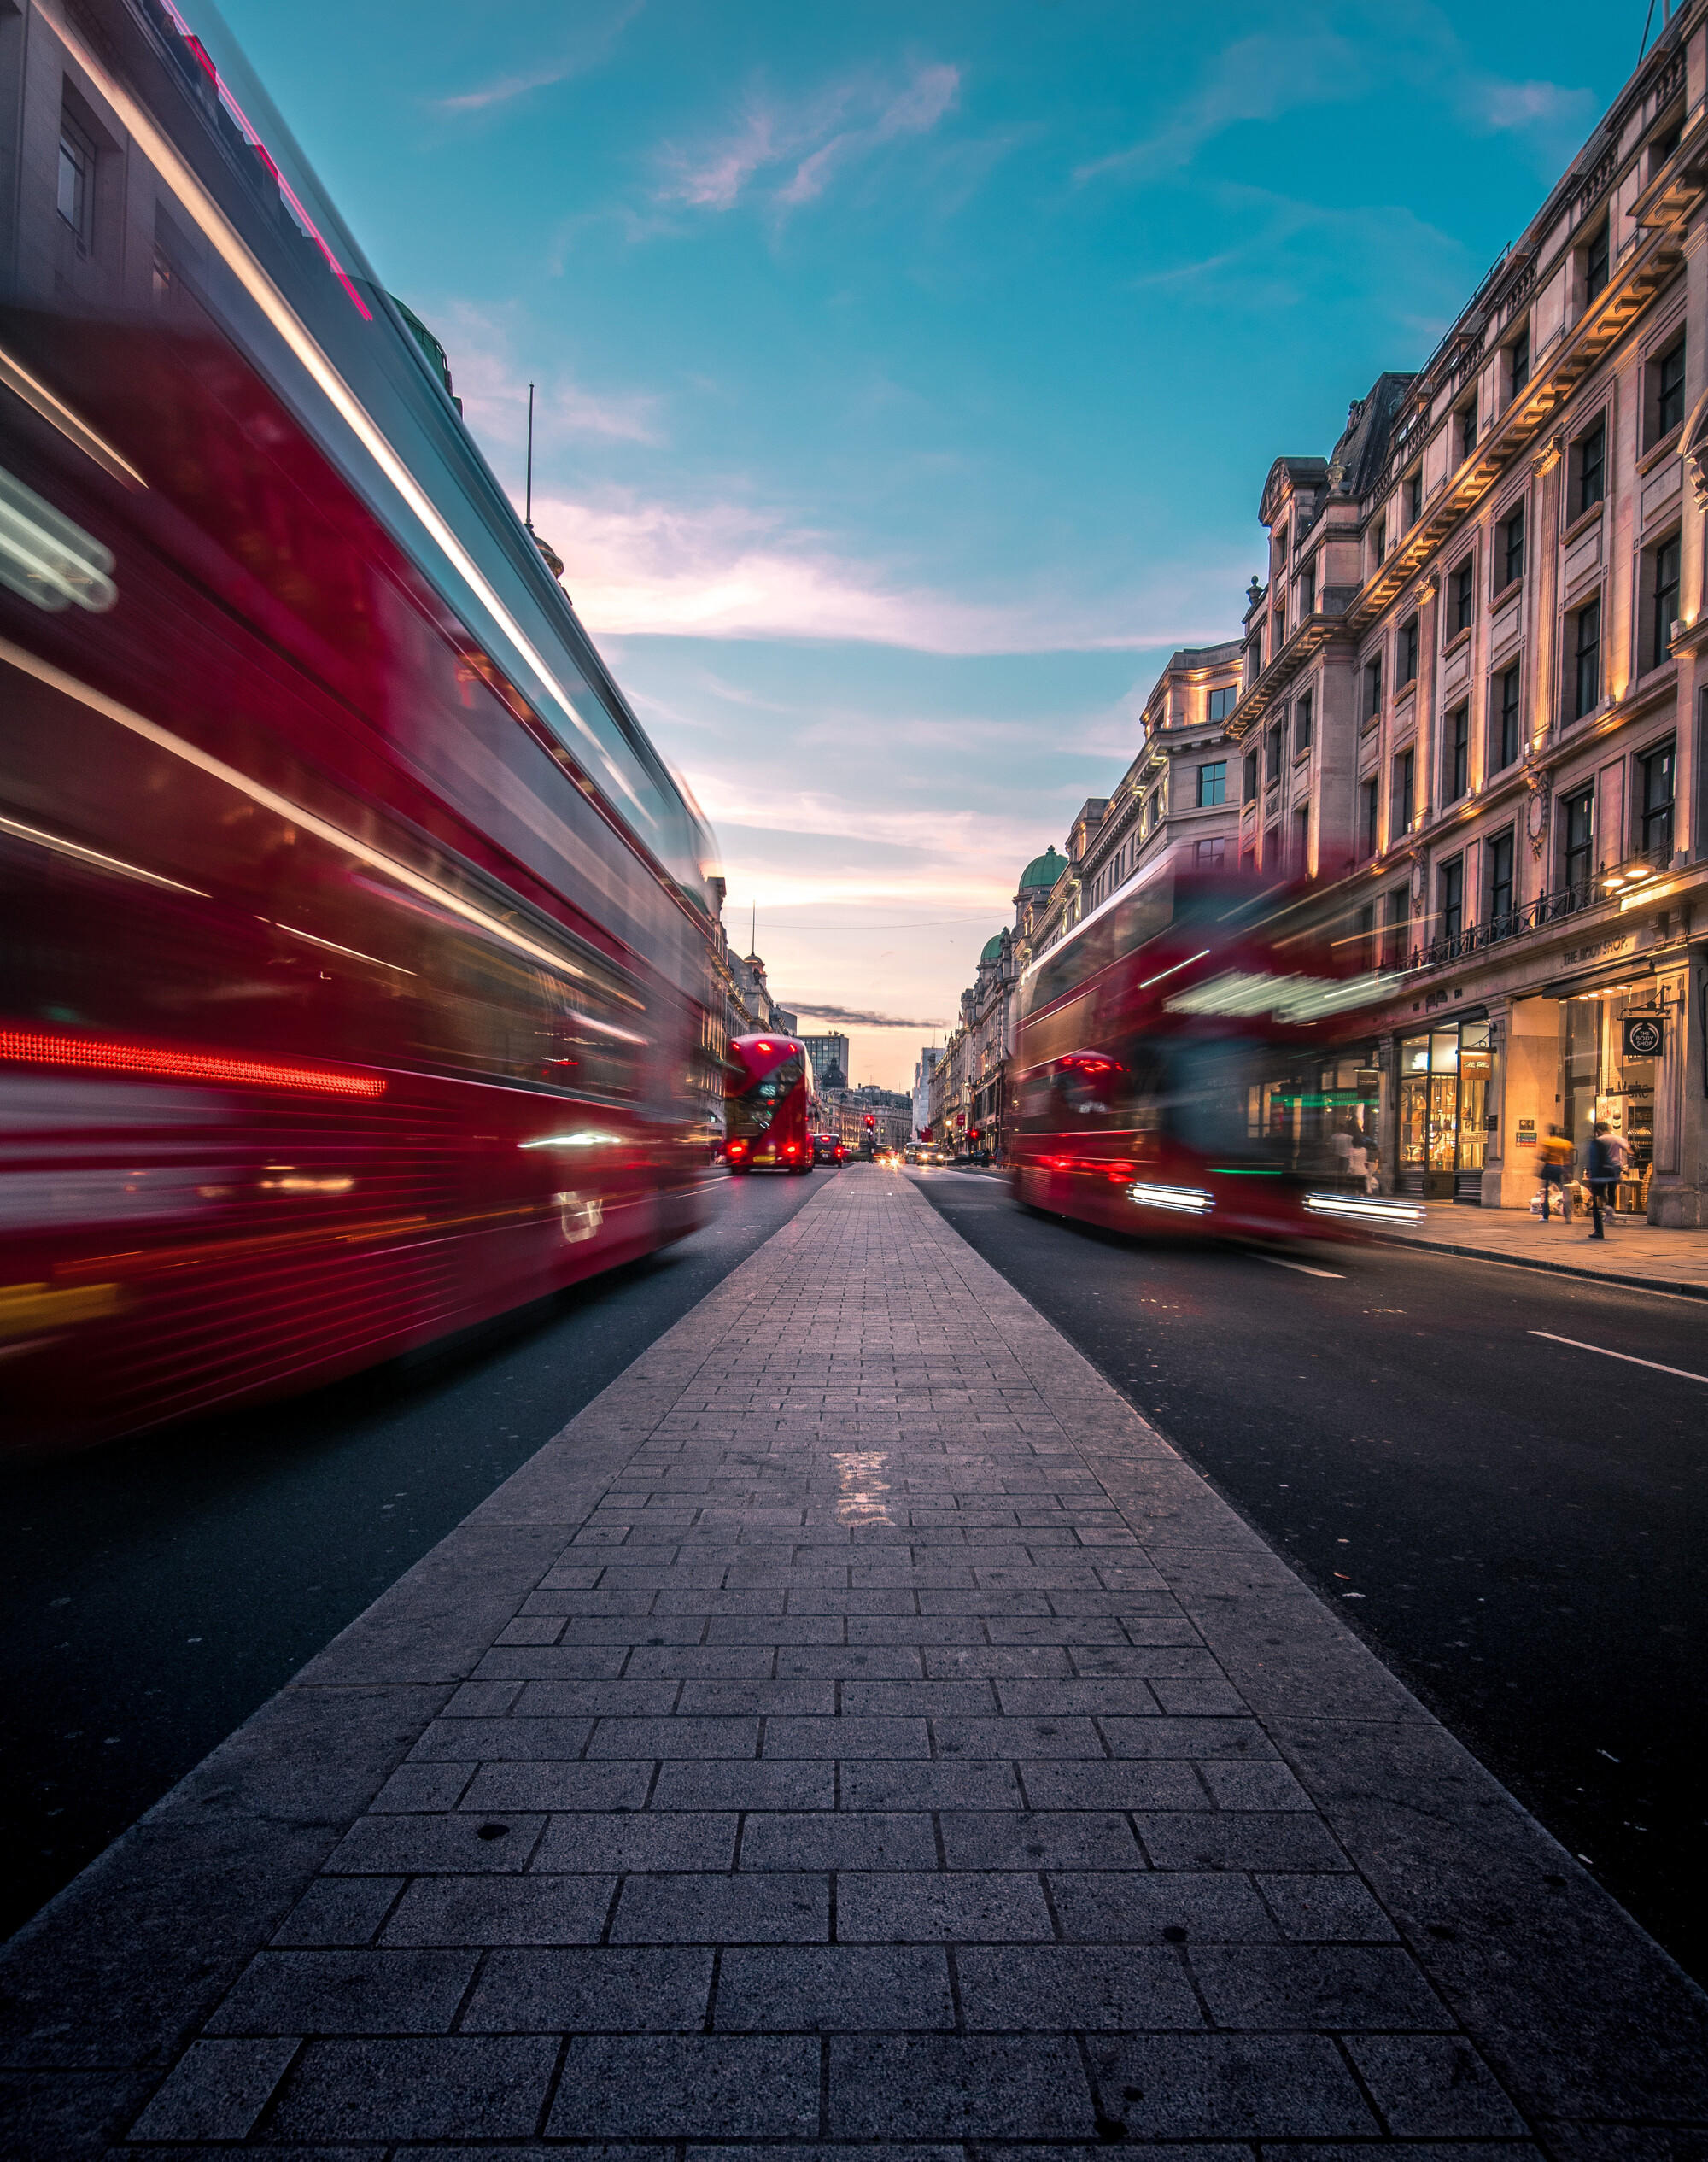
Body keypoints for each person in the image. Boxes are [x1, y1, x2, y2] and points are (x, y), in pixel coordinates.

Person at [1585, 1121, 1619, 1238]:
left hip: (1598, 1176)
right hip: (1609, 1173)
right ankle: (1609, 1209)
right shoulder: (1606, 1142)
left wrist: (1591, 1176)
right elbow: (1608, 1159)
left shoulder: (1595, 1143)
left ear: (1597, 1131)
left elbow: (1593, 1162)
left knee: (1596, 1205)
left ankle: (1599, 1231)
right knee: (1609, 1194)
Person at [1535, 1124, 1574, 1221]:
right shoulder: (1564, 1143)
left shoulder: (1548, 1142)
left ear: (1550, 1132)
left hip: (1549, 1166)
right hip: (1560, 1167)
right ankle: (1568, 1216)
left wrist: (1540, 1158)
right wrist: (1568, 1171)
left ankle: (1545, 1216)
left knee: (1546, 1193)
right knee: (1565, 1192)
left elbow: (1544, 1156)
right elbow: (1567, 1158)